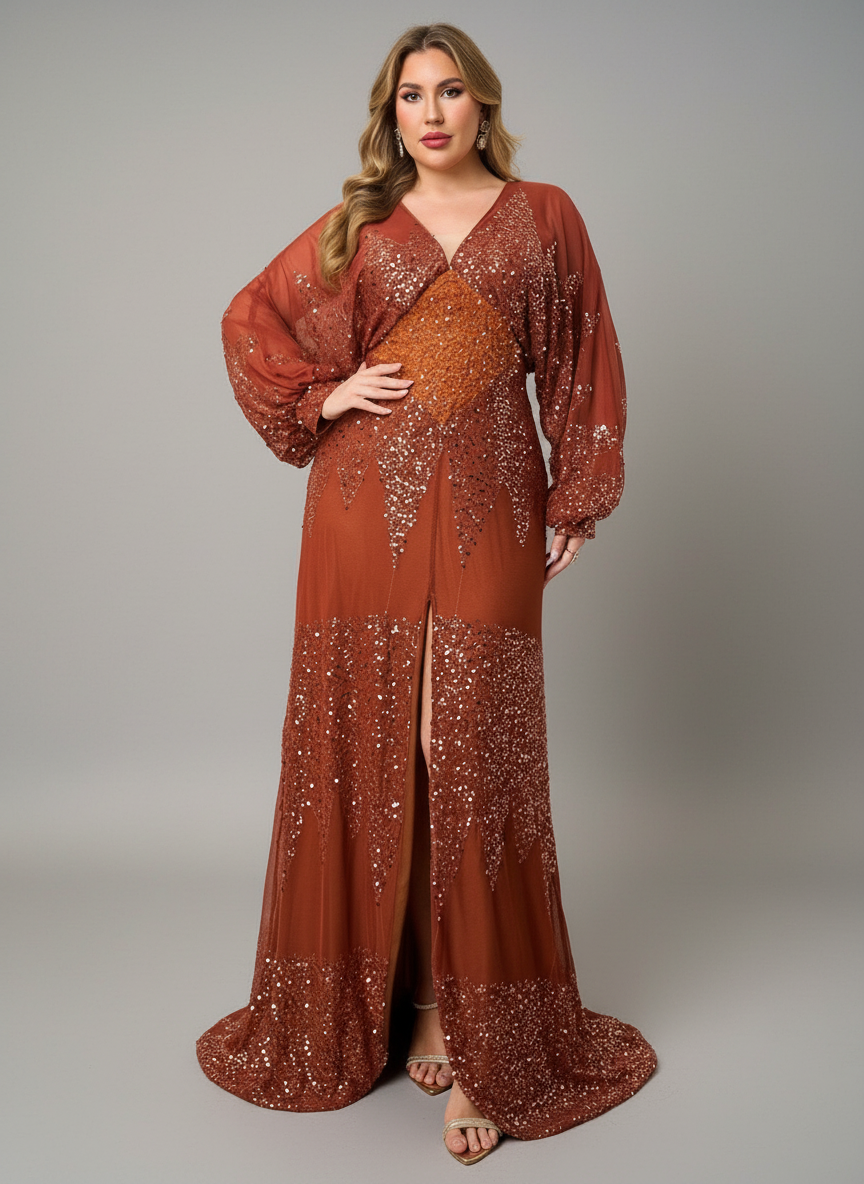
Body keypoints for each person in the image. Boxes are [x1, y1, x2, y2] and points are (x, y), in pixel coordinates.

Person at [197, 22, 656, 1166]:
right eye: (411, 96)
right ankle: (415, 1009)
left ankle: (488, 1038)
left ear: (483, 102)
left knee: (470, 747)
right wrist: (328, 393)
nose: (433, 112)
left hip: (495, 501)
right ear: (390, 114)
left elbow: (584, 355)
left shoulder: (545, 216)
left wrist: (578, 495)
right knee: (384, 747)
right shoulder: (362, 223)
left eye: (451, 91)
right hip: (363, 507)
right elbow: (249, 318)